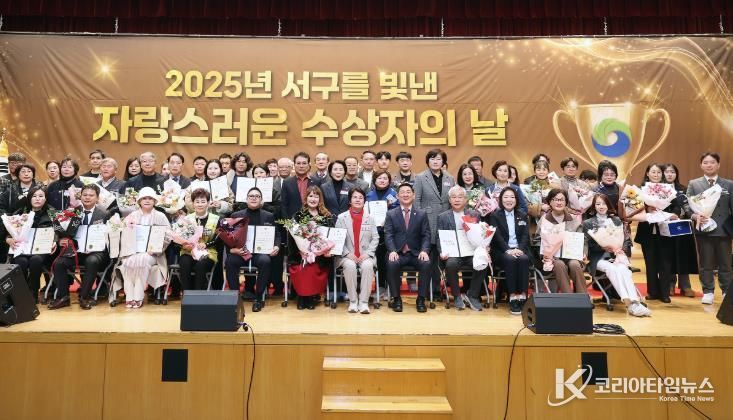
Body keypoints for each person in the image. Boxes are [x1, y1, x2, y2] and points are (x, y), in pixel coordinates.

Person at [583, 193, 651, 317]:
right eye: (598, 204)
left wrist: (620, 249)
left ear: (608, 205)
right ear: (594, 206)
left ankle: (635, 302)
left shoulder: (616, 220)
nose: (601, 206)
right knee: (612, 269)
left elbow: (625, 239)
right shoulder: (588, 223)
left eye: (604, 204)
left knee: (624, 270)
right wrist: (603, 247)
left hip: (615, 255)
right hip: (598, 258)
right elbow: (588, 245)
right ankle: (629, 304)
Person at [52, 184, 110, 310]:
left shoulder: (105, 214)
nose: (87, 197)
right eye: (85, 195)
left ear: (97, 198)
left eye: (91, 195)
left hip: (96, 252)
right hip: (76, 251)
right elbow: (61, 231)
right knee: (59, 263)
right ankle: (63, 297)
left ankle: (84, 297)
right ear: (80, 196)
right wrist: (60, 239)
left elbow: (111, 235)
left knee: (91, 261)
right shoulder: (71, 213)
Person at [685, 152, 733, 304]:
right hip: (703, 228)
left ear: (718, 165)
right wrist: (694, 216)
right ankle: (708, 291)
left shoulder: (729, 184)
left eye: (712, 162)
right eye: (705, 162)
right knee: (706, 263)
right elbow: (687, 205)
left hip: (724, 230)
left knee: (726, 263)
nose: (709, 165)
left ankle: (726, 291)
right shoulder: (694, 184)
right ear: (701, 165)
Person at [226, 187, 281, 312]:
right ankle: (235, 298)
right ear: (246, 199)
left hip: (259, 253)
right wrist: (232, 250)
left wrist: (276, 246)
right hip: (241, 252)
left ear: (261, 200)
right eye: (251, 196)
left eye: (257, 196)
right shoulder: (236, 215)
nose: (254, 198)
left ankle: (258, 298)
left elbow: (277, 234)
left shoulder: (269, 216)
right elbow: (228, 236)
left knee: (265, 261)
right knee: (230, 261)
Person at [116, 187, 170, 309]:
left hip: (153, 253)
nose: (147, 200)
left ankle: (138, 296)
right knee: (126, 262)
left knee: (143, 260)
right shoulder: (132, 216)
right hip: (134, 251)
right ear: (139, 201)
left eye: (150, 198)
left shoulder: (160, 216)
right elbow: (125, 235)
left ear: (154, 201)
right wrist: (130, 249)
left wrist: (155, 249)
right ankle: (129, 296)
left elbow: (168, 237)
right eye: (144, 198)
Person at [436, 186, 487, 311]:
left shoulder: (474, 215)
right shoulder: (443, 216)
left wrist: (484, 247)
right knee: (451, 264)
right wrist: (442, 252)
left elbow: (480, 235)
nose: (457, 200)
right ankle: (457, 296)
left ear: (465, 199)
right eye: (453, 197)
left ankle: (472, 295)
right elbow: (439, 237)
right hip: (453, 254)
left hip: (470, 253)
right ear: (449, 200)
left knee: (482, 263)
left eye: (460, 197)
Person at [384, 183, 432, 313]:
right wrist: (392, 250)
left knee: (426, 263)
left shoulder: (421, 214)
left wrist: (424, 250)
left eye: (408, 192)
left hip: (416, 253)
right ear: (397, 196)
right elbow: (388, 235)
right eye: (402, 192)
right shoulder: (391, 214)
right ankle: (396, 299)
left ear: (413, 195)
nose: (405, 194)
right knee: (391, 263)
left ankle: (421, 299)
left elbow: (426, 235)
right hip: (398, 253)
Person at [414, 149, 455, 296]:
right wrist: (419, 219)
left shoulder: (450, 178)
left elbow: (452, 200)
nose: (435, 161)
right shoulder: (420, 177)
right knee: (428, 257)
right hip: (427, 220)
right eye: (432, 159)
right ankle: (426, 290)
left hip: (445, 221)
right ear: (427, 161)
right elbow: (416, 200)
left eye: (438, 159)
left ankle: (437, 289)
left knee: (441, 256)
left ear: (443, 162)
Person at [634, 164, 677, 304]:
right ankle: (652, 292)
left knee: (665, 263)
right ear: (647, 173)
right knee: (650, 262)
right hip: (647, 231)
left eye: (659, 172)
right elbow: (634, 207)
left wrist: (668, 213)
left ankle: (665, 293)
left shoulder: (669, 189)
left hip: (665, 231)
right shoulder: (641, 189)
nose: (656, 174)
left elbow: (676, 206)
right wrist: (647, 208)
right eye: (653, 172)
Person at [5, 185, 54, 304]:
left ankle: (33, 292)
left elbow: (58, 231)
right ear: (29, 198)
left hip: (41, 249)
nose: (37, 199)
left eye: (41, 196)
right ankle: (21, 292)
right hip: (22, 247)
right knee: (21, 261)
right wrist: (8, 239)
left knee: (35, 260)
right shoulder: (21, 212)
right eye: (34, 196)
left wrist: (55, 241)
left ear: (46, 198)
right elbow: (8, 232)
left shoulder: (52, 212)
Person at [287, 186, 333, 310]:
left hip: (321, 255)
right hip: (301, 254)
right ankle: (303, 297)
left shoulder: (326, 216)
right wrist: (302, 251)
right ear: (306, 198)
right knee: (303, 265)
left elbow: (331, 236)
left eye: (316, 196)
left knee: (313, 265)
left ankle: (311, 297)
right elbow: (292, 237)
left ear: (320, 199)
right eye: (310, 196)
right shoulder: (298, 216)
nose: (313, 199)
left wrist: (324, 251)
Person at [335, 188, 379, 314]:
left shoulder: (370, 218)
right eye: (355, 197)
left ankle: (364, 302)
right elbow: (338, 239)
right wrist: (347, 253)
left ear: (364, 200)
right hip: (346, 255)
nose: (358, 200)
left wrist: (368, 253)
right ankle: (353, 301)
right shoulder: (341, 218)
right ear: (350, 200)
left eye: (361, 197)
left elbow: (375, 238)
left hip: (366, 255)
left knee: (367, 266)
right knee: (350, 266)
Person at [489, 187, 532, 314]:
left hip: (520, 250)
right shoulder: (495, 215)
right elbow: (497, 237)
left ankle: (523, 296)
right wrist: (508, 250)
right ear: (501, 200)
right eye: (506, 197)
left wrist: (520, 249)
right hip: (502, 251)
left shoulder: (522, 215)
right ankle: (512, 296)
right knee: (510, 259)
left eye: (512, 197)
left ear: (516, 199)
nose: (509, 200)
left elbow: (525, 236)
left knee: (524, 259)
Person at [539, 188, 586, 294]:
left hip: (572, 256)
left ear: (566, 202)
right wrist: (544, 254)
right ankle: (568, 297)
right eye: (556, 199)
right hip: (552, 258)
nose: (559, 202)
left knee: (575, 265)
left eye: (562, 200)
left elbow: (583, 240)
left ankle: (582, 297)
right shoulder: (544, 219)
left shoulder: (574, 219)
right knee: (559, 264)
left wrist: (583, 253)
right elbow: (537, 240)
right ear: (550, 202)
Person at [661, 163, 698, 297]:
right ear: (663, 173)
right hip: (666, 227)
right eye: (667, 172)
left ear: (676, 174)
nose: (670, 174)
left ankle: (685, 286)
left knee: (683, 255)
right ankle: (670, 285)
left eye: (673, 172)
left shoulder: (684, 189)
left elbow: (690, 207)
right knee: (669, 256)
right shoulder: (659, 189)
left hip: (682, 226)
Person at [178, 188, 220, 291]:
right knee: (184, 262)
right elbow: (180, 237)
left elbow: (219, 239)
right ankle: (187, 293)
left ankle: (197, 294)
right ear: (193, 204)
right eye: (197, 202)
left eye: (203, 201)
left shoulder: (216, 219)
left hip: (208, 252)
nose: (200, 204)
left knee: (201, 265)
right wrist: (185, 245)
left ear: (208, 203)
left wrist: (206, 245)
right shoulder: (186, 219)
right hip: (189, 251)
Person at [365, 170, 399, 298]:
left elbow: (397, 211)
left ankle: (391, 287)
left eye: (385, 178)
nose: (382, 180)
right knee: (378, 260)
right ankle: (380, 287)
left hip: (390, 233)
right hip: (373, 233)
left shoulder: (393, 194)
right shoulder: (369, 195)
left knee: (390, 260)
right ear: (374, 180)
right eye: (379, 178)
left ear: (389, 181)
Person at [281, 152, 317, 219]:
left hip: (313, 220)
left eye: (304, 163)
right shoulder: (287, 182)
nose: (301, 166)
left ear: (308, 165)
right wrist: (287, 222)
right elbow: (283, 205)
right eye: (298, 163)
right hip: (292, 220)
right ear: (294, 165)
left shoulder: (316, 181)